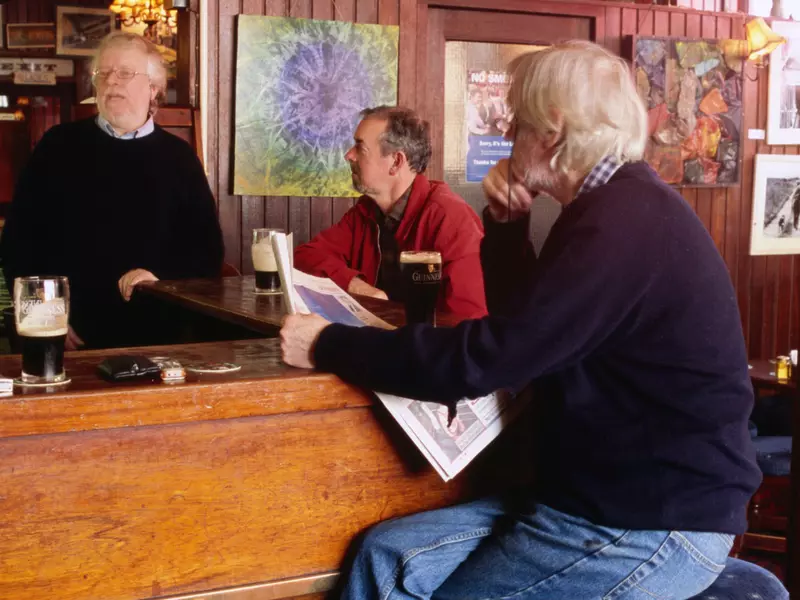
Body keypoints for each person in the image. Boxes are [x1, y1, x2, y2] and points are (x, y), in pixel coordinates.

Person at [280, 41, 760, 599]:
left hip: (651, 519)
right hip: (592, 498)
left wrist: (330, 344)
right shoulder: (614, 208)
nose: (508, 138)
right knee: (385, 558)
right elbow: (529, 328)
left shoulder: (623, 222)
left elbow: (487, 357)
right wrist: (508, 228)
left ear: (552, 131)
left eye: (517, 124)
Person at [1, 32, 223, 349]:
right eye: (103, 73)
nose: (111, 82)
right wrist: (44, 318)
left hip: (155, 336)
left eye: (124, 73)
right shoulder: (58, 145)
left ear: (154, 88)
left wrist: (160, 276)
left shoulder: (179, 158)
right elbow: (18, 241)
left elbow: (206, 251)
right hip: (62, 334)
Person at [294, 106, 487, 320]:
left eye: (360, 147)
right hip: (379, 345)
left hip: (426, 350)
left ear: (396, 162)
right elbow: (304, 257)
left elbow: (467, 321)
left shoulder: (451, 219)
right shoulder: (365, 212)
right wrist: (357, 286)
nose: (348, 155)